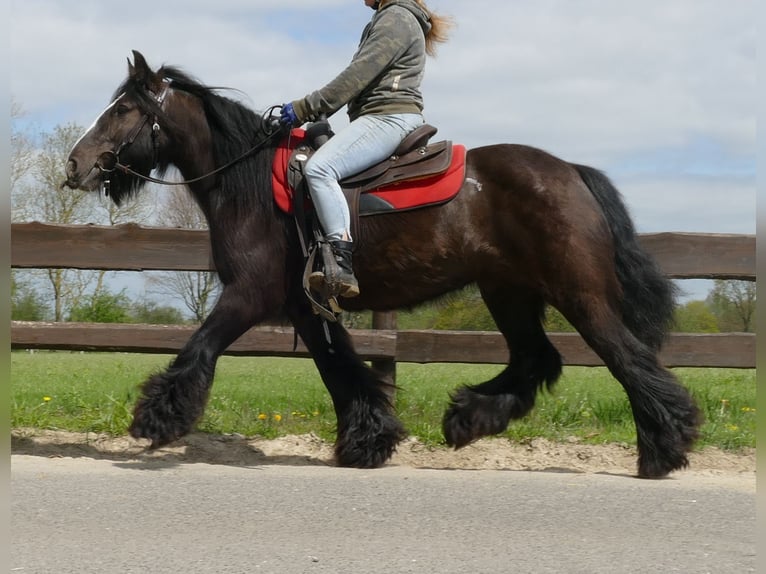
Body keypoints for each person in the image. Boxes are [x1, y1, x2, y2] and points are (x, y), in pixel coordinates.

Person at [281, 0, 452, 298]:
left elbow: (358, 75)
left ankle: (340, 260)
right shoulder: (392, 17)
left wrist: (305, 107)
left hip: (388, 117)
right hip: (381, 115)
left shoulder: (396, 18)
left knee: (320, 169)